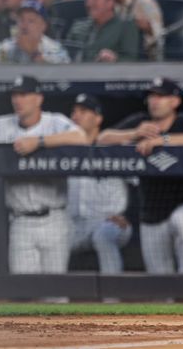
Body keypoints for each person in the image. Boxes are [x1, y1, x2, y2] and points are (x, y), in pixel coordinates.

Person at [97, 77, 183, 274]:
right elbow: (102, 139)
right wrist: (134, 134)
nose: (154, 101)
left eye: (161, 96)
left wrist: (164, 140)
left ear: (174, 101)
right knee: (159, 277)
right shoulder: (140, 122)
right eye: (151, 96)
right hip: (151, 209)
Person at [0, 75, 87, 273]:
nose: (18, 100)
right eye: (15, 95)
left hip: (54, 218)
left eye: (24, 94)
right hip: (20, 220)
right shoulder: (2, 125)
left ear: (38, 98)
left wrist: (39, 142)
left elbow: (81, 137)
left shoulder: (54, 121)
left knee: (56, 294)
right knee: (25, 291)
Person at [67, 93, 133, 273]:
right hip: (72, 225)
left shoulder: (114, 149)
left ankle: (111, 296)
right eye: (74, 112)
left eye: (83, 111)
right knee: (49, 240)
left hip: (109, 222)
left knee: (104, 235)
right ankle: (55, 299)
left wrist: (128, 215)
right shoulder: (63, 151)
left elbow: (141, 182)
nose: (76, 116)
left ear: (98, 119)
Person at [65, 0, 141, 62]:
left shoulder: (126, 26)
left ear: (110, 2)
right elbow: (66, 57)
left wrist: (115, 59)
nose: (89, 3)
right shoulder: (77, 26)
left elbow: (131, 60)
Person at [0, 0, 70, 64]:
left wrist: (38, 58)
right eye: (21, 20)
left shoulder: (55, 49)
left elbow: (64, 78)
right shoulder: (5, 48)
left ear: (43, 26)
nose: (24, 25)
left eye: (31, 21)